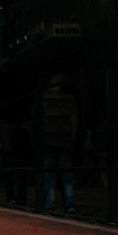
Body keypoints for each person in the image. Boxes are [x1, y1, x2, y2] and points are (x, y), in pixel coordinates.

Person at [42, 72, 79, 214]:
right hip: (62, 140)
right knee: (65, 174)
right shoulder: (68, 99)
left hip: (50, 141)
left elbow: (35, 121)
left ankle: (50, 204)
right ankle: (69, 204)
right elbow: (74, 119)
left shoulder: (42, 97)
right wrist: (73, 139)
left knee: (51, 174)